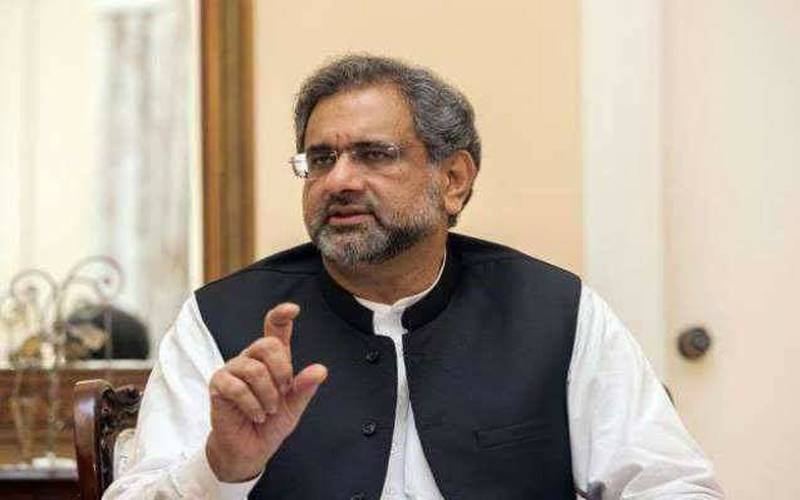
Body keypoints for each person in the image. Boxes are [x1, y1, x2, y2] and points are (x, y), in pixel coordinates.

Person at [104, 55, 723, 499]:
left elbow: (671, 484)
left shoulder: (554, 311)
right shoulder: (221, 320)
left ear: (453, 180)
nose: (339, 180)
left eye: (374, 154)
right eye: (321, 159)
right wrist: (221, 467)